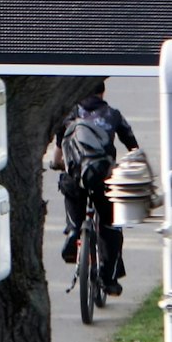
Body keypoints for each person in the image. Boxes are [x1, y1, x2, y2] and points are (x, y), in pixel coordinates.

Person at [53, 80, 141, 297]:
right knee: (111, 226)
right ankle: (109, 279)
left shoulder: (69, 115)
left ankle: (74, 230)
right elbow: (133, 148)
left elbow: (57, 156)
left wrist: (59, 165)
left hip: (76, 178)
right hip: (103, 179)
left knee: (70, 188)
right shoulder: (113, 114)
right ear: (103, 92)